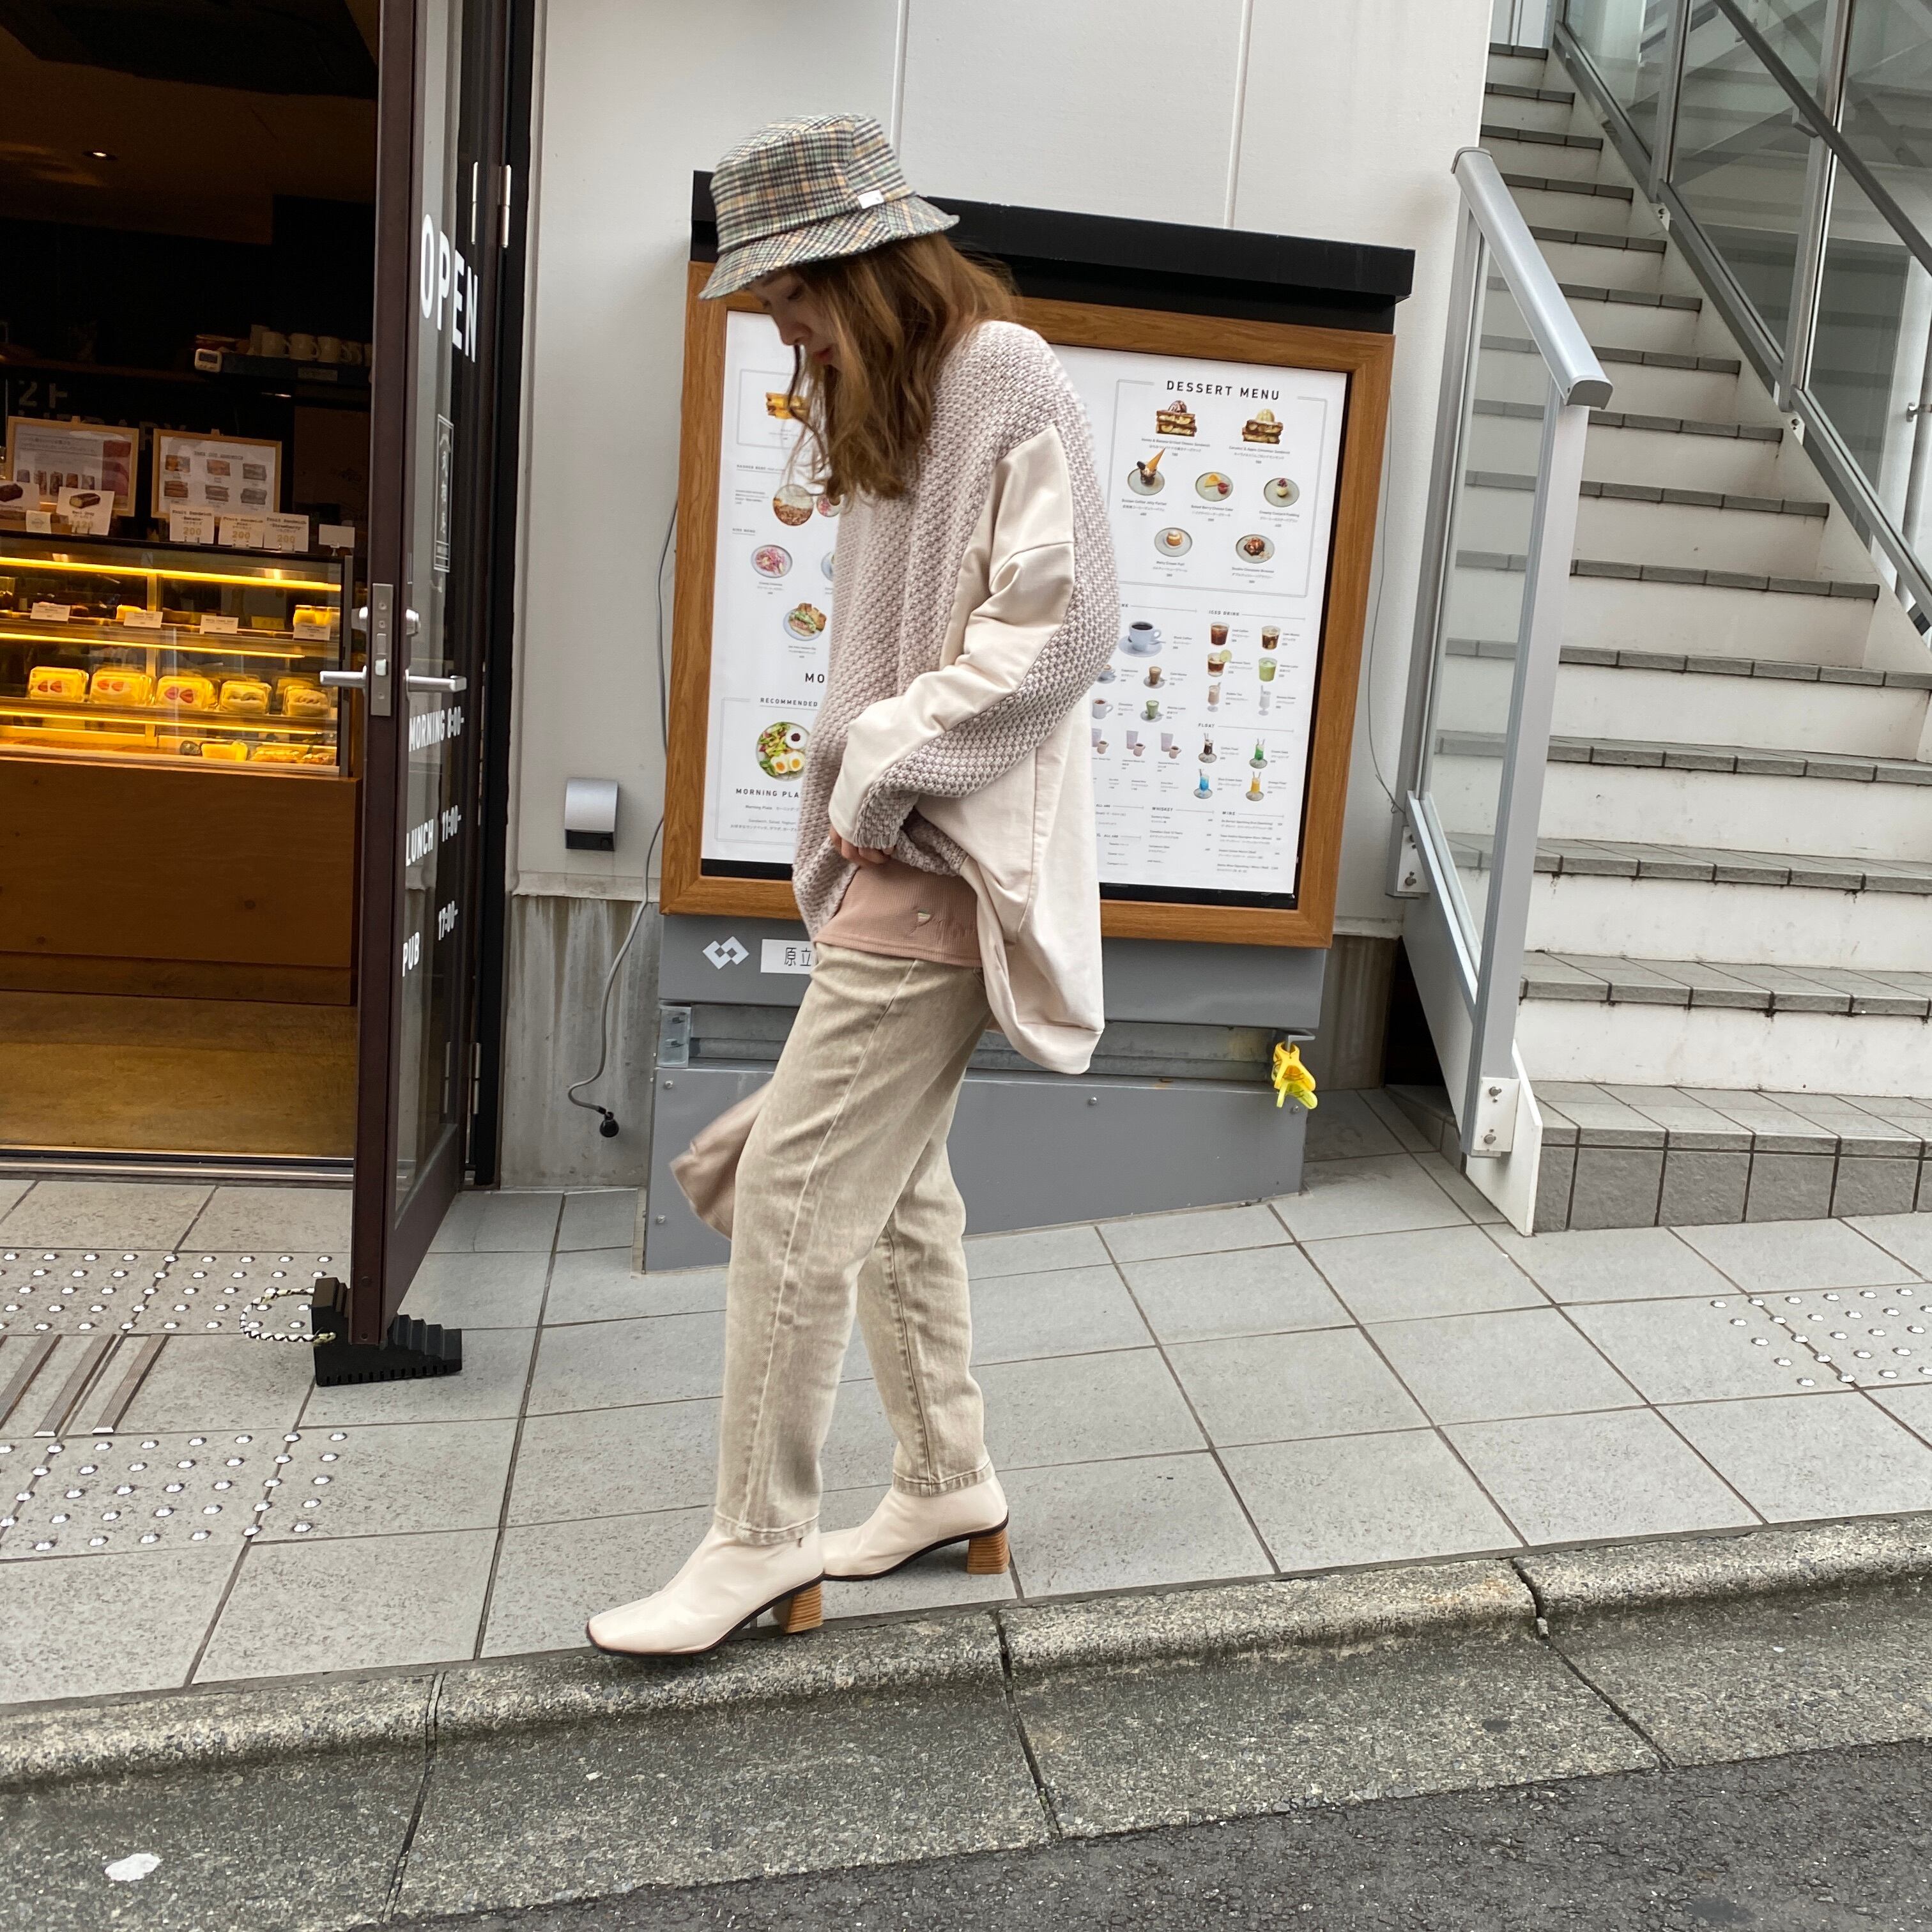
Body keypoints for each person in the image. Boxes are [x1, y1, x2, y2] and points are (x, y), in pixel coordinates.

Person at [588, 113, 1118, 1657]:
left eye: (791, 294)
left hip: (938, 853)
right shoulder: (897, 399)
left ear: (863, 267)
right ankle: (948, 1480)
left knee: (795, 1193)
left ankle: (759, 1540)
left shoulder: (1001, 369)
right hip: (900, 846)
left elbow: (1066, 623)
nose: (781, 328)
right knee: (893, 1190)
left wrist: (884, 763)